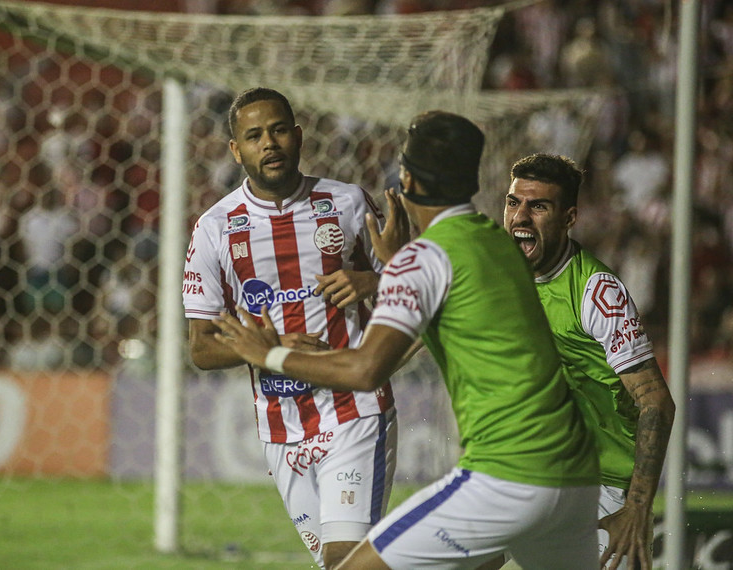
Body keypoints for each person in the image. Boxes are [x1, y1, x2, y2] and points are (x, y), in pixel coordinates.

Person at [212, 110, 601, 569]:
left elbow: (364, 370)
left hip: (509, 476)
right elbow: (458, 313)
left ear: (406, 178)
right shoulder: (498, 242)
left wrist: (268, 353)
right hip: (576, 477)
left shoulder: (422, 262)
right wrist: (392, 269)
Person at [182, 87, 398, 569]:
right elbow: (201, 348)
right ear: (237, 150)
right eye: (254, 136)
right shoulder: (215, 228)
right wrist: (270, 348)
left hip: (353, 409)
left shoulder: (346, 203)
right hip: (281, 426)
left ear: (298, 136)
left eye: (278, 130)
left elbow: (412, 284)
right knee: (339, 564)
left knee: (346, 562)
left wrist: (372, 280)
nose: (269, 143)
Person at [502, 152, 675, 570]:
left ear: (569, 217)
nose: (520, 217)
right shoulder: (499, 271)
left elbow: (656, 403)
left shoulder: (597, 292)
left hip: (601, 486)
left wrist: (636, 508)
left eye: (538, 206)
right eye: (513, 202)